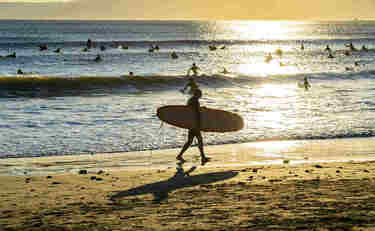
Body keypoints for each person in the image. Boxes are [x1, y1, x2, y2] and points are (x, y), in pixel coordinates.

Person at [177, 88, 210, 165]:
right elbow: (197, 113)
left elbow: (191, 111)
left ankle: (179, 155)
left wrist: (201, 109)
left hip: (191, 124)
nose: (201, 95)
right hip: (195, 124)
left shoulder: (190, 100)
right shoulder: (195, 101)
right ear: (197, 94)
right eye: (200, 94)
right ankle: (203, 157)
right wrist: (199, 124)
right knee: (199, 140)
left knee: (189, 141)